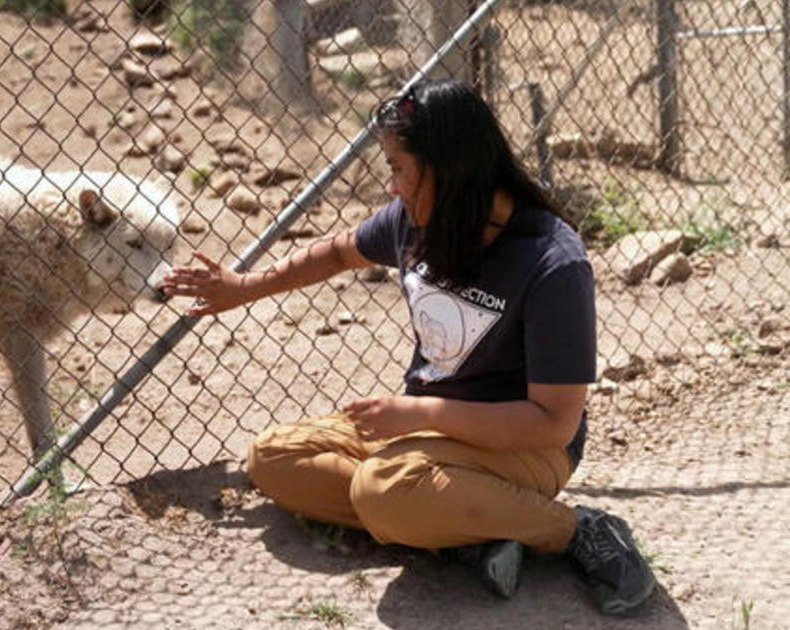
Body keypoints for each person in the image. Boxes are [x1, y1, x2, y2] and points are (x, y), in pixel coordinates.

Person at [162, 79, 655, 614]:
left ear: (447, 169)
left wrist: (420, 413)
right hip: (431, 429)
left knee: (385, 490)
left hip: (525, 444)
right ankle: (471, 529)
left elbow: (553, 423)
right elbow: (337, 253)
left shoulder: (551, 260)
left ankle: (577, 529)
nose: (392, 187)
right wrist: (245, 287)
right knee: (275, 459)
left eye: (398, 169)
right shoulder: (416, 218)